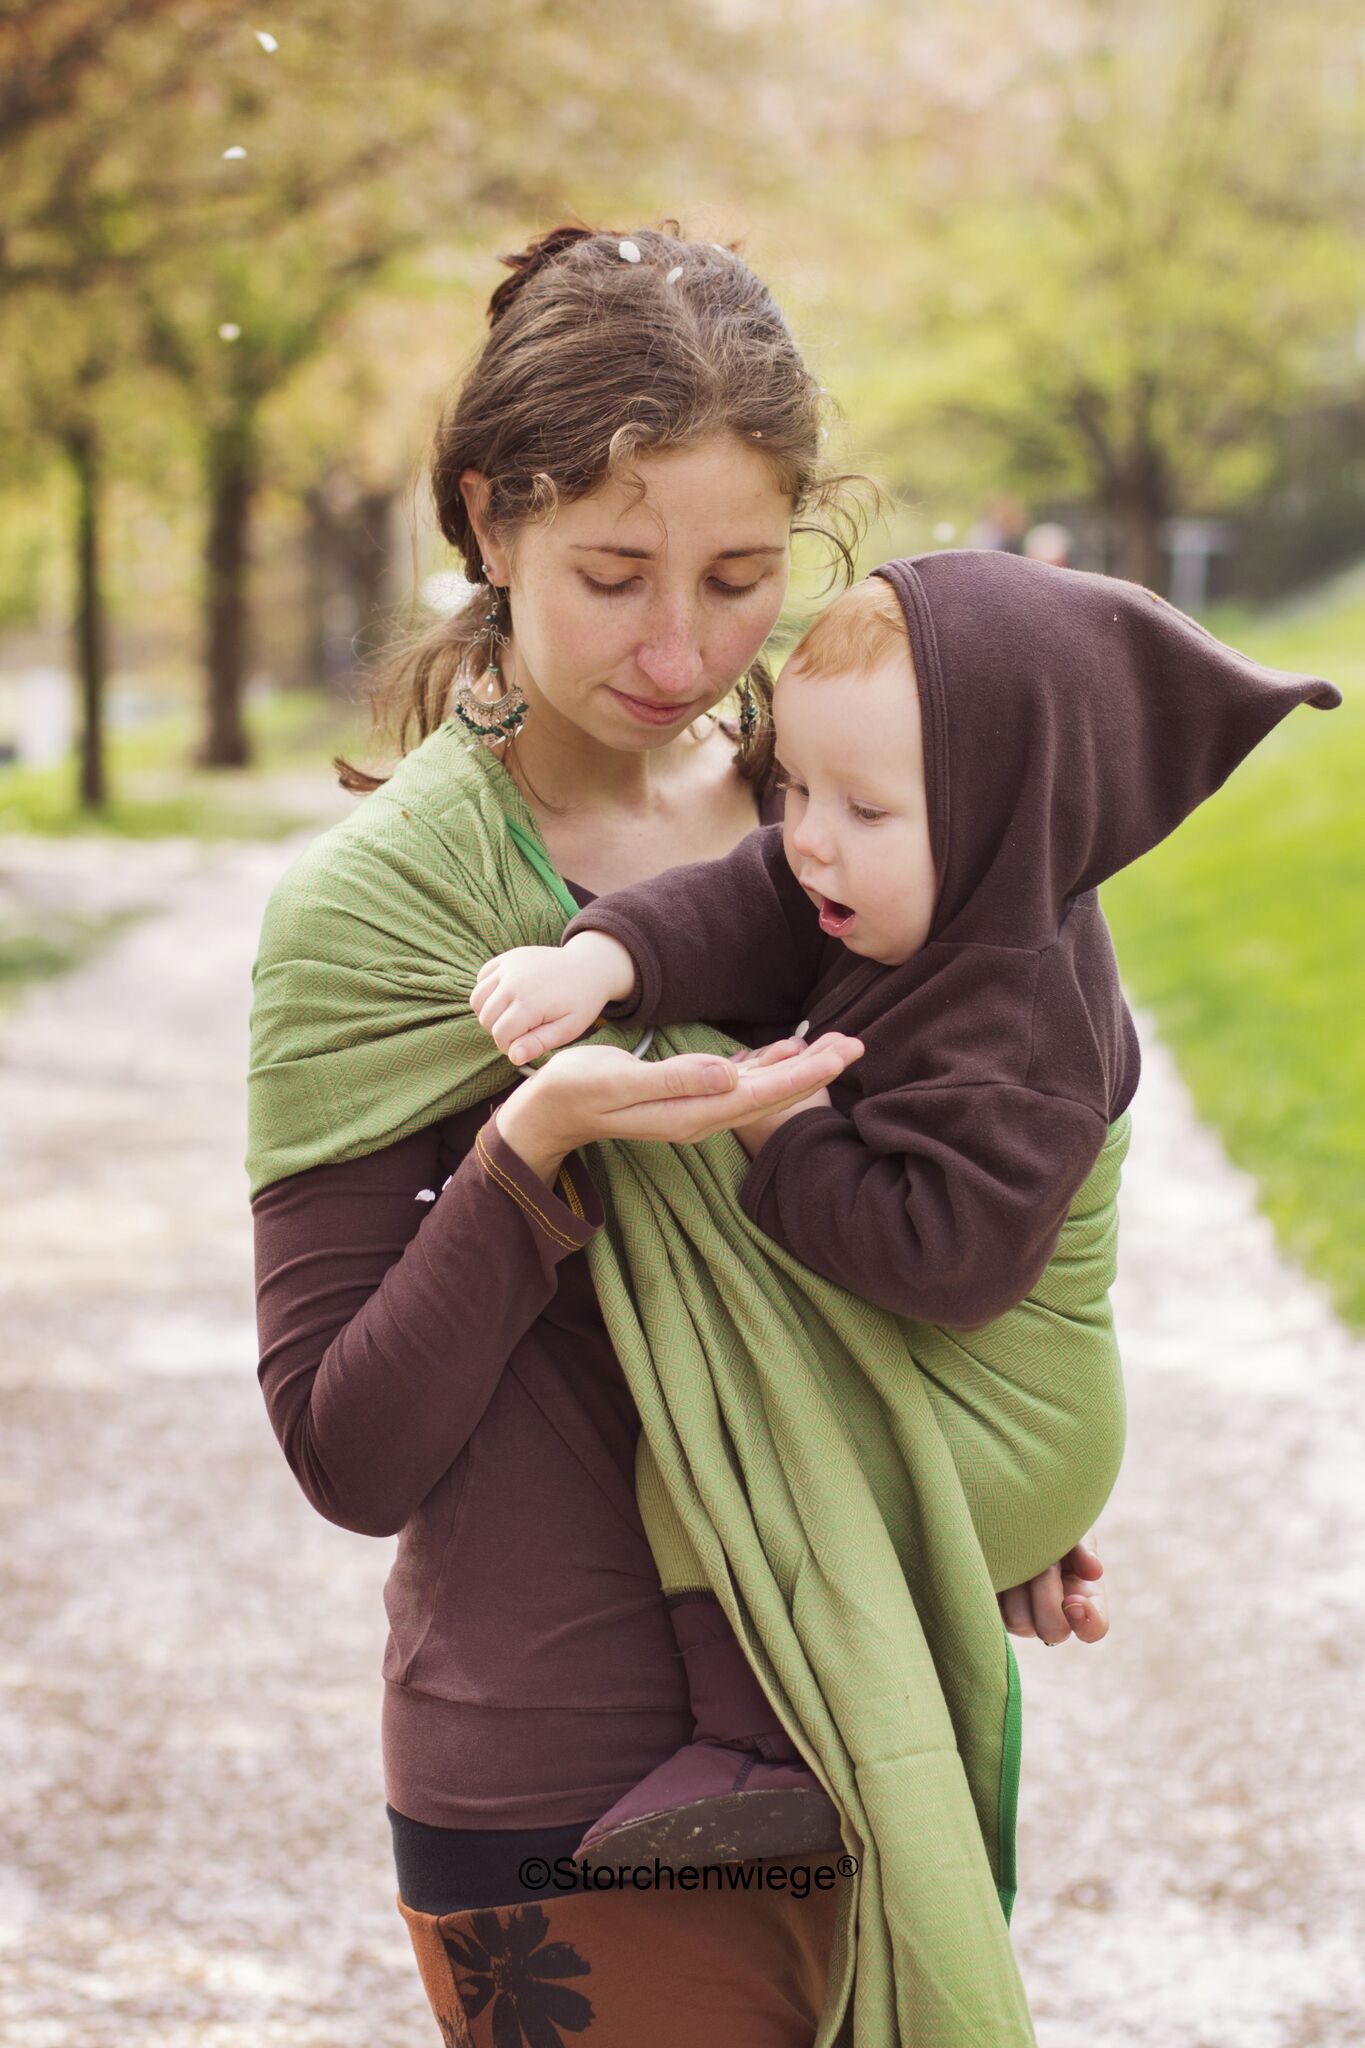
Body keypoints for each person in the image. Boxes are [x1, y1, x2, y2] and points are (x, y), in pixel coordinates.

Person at [249, 224, 1112, 2048]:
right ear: (490, 524)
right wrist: (526, 1154)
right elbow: (349, 1452)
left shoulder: (873, 831)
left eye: (736, 577)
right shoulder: (382, 918)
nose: (678, 646)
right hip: (560, 1768)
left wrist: (958, 1475)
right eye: (614, 574)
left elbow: (992, 1172)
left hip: (875, 1691)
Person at [471, 553, 1341, 1864]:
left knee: (737, 1468)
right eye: (797, 787)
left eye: (861, 808)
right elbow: (747, 897)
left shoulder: (1019, 1027)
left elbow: (946, 1260)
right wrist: (601, 957)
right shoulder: (879, 891)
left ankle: (774, 1756)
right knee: (712, 1448)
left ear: (1006, 821)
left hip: (1016, 1421)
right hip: (953, 1369)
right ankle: (765, 1728)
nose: (808, 834)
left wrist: (785, 1127)